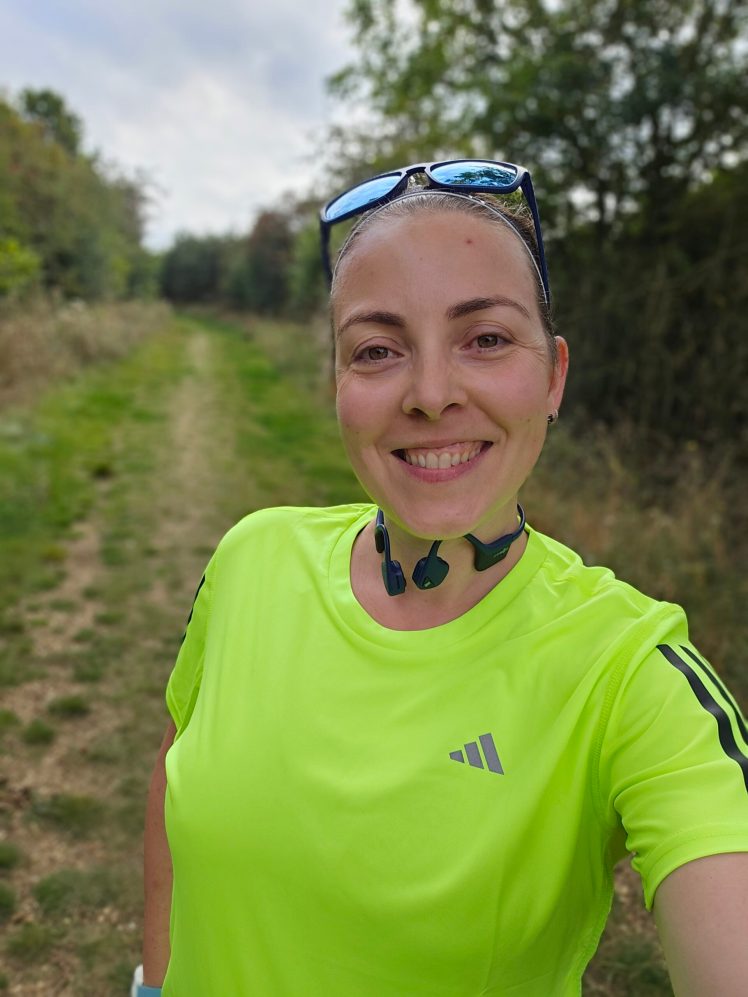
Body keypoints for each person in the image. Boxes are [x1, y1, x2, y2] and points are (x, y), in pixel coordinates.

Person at [139, 160, 748, 996]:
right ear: (340, 384)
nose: (429, 394)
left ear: (554, 376)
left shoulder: (630, 672)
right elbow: (176, 779)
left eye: (486, 339)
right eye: (378, 349)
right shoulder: (250, 558)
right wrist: (153, 980)